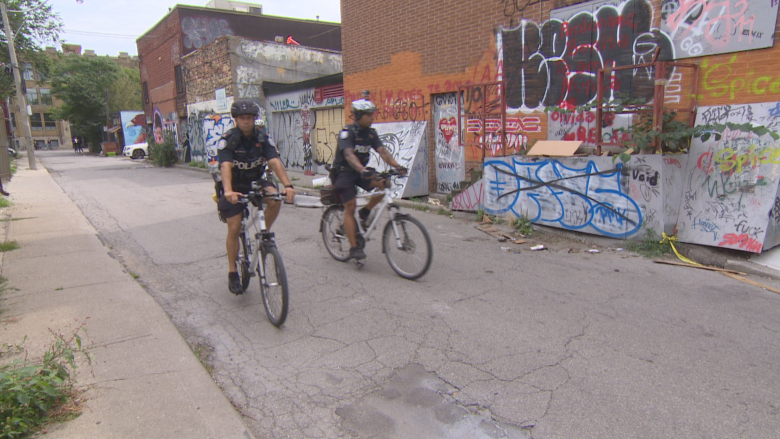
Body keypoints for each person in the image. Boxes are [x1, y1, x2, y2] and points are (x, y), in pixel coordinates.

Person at [218, 100, 296, 294]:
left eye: (250, 118)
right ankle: (232, 271)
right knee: (235, 226)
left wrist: (287, 185)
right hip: (234, 187)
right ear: (236, 120)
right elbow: (226, 166)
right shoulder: (228, 139)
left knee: (275, 198)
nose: (246, 122)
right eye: (243, 118)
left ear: (254, 119)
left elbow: (274, 161)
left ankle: (263, 236)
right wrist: (228, 191)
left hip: (255, 182)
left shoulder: (262, 138)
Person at [331, 96, 406, 261]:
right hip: (344, 172)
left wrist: (397, 166)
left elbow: (383, 151)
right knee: (350, 206)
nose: (372, 117)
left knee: (385, 183)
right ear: (358, 116)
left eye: (373, 114)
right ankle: (353, 248)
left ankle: (365, 212)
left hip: (361, 172)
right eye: (368, 115)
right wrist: (362, 169)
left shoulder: (371, 134)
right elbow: (349, 155)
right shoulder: (347, 133)